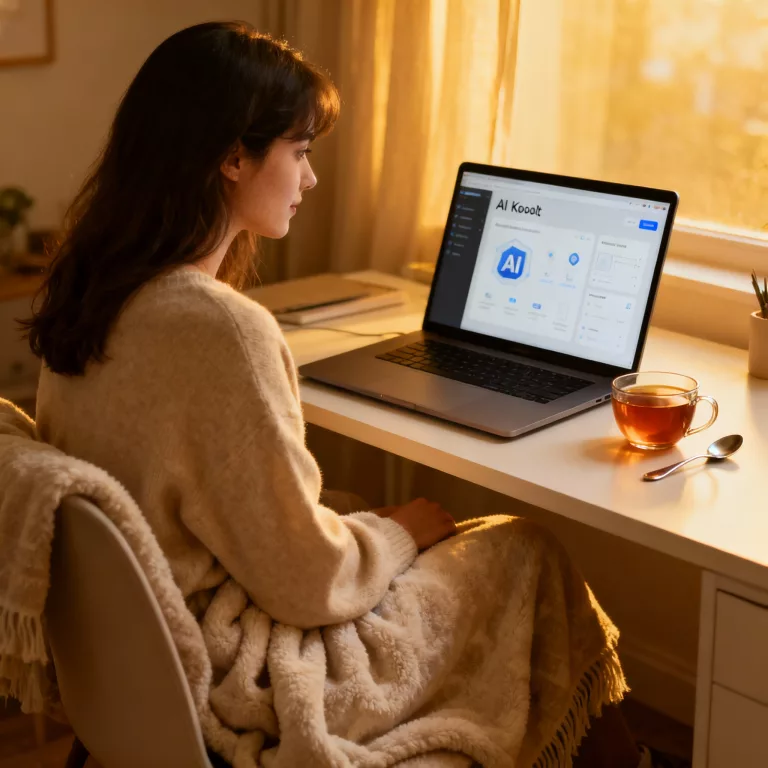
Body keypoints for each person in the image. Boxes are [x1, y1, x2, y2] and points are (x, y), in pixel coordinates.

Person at [22, 21, 681, 768]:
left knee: (391, 515)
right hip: (238, 678)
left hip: (144, 669)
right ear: (233, 157)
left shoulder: (91, 291)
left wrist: (365, 527)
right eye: (299, 153)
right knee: (526, 552)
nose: (309, 180)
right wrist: (397, 532)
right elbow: (310, 582)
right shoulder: (219, 329)